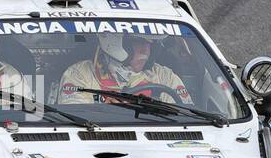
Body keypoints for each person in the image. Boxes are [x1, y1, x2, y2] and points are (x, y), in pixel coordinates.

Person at [58, 32, 191, 105]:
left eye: (151, 44)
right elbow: (75, 124)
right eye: (138, 42)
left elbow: (184, 115)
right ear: (113, 43)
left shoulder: (164, 76)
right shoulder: (80, 74)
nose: (146, 51)